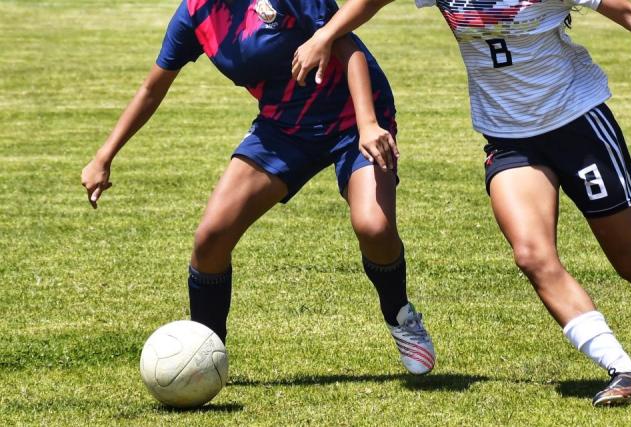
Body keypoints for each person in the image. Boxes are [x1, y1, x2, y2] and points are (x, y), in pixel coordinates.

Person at [290, 0, 631, 405]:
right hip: (508, 140)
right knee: (531, 254)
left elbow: (624, 10)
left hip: (578, 126)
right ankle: (627, 371)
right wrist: (325, 35)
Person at [80, 0, 435, 376]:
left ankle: (400, 315)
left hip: (354, 117)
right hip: (283, 129)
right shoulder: (194, 15)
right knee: (211, 238)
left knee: (374, 227)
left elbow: (345, 46)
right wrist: (104, 154)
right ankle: (204, 355)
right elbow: (152, 88)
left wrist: (367, 124)